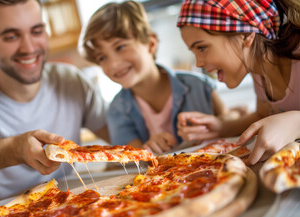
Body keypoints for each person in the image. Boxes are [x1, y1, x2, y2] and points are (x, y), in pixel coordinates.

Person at [0, 0, 108, 207]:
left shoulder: (71, 81)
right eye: (11, 36)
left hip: (76, 212)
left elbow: (127, 137)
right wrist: (13, 149)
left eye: (36, 31)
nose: (28, 48)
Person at [78, 1, 241, 154]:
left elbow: (228, 121)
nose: (113, 64)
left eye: (120, 47)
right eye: (102, 57)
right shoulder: (117, 111)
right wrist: (148, 149)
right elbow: (134, 158)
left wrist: (226, 119)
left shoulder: (198, 85)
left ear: (150, 44)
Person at [177, 0, 300, 165]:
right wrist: (220, 126)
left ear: (246, 35)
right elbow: (262, 115)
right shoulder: (258, 71)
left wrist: (295, 122)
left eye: (202, 48)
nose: (198, 63)